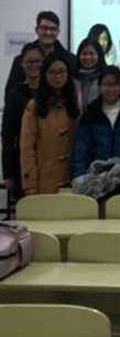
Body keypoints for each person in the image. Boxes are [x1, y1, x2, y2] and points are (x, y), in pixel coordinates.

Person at [20, 53, 80, 195]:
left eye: (62, 72)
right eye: (52, 72)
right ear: (44, 75)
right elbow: (27, 149)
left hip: (72, 180)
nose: (57, 76)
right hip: (44, 181)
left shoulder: (74, 103)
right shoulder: (34, 106)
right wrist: (30, 184)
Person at [71, 66, 120, 179]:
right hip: (96, 178)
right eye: (106, 84)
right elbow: (81, 150)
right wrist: (80, 177)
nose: (110, 89)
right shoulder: (90, 113)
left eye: (114, 85)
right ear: (99, 86)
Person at [1, 43, 43, 200]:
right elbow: (7, 135)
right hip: (21, 163)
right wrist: (8, 173)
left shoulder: (51, 92)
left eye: (37, 61)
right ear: (22, 64)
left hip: (47, 162)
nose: (33, 65)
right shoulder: (15, 94)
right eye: (29, 62)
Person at [5, 11, 75, 103]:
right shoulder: (20, 60)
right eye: (44, 28)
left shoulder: (70, 60)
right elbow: (10, 93)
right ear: (37, 30)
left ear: (58, 31)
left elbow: (73, 92)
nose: (48, 32)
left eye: (53, 29)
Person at [74, 38, 106, 112]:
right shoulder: (73, 78)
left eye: (91, 54)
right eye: (84, 54)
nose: (88, 57)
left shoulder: (106, 77)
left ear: (99, 55)